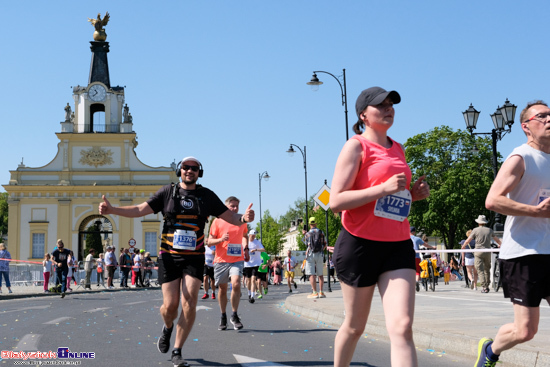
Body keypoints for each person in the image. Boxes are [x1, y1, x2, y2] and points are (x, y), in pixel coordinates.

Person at [98, 156, 254, 367]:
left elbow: (233, 218)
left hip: (195, 257)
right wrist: (112, 210)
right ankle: (167, 327)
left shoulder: (206, 195)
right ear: (180, 171)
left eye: (194, 168)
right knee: (170, 307)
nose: (189, 171)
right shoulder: (167, 193)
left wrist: (245, 218)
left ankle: (177, 350)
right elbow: (139, 210)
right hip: (169, 256)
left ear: (200, 172)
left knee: (189, 302)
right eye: (186, 168)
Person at [329, 87, 430, 367]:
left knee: (402, 327)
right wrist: (382, 188)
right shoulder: (356, 146)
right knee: (354, 326)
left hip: (397, 244)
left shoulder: (398, 147)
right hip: (359, 244)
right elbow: (336, 201)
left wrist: (414, 194)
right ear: (363, 115)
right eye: (380, 105)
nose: (388, 108)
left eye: (391, 104)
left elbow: (395, 198)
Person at [474, 100, 550, 366]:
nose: (549, 119)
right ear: (526, 127)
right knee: (525, 331)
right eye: (542, 116)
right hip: (524, 253)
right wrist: (536, 211)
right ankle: (491, 350)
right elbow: (493, 200)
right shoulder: (521, 157)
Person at [208, 196, 249, 331]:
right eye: (232, 206)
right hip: (221, 260)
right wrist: (220, 239)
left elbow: (244, 236)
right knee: (223, 289)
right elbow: (209, 241)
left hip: (237, 259)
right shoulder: (217, 221)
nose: (235, 208)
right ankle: (223, 315)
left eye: (236, 206)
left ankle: (234, 315)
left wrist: (246, 248)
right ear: (226, 207)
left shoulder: (241, 220)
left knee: (236, 283)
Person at [463, 215, 502, 293]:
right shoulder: (489, 230)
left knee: (480, 270)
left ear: (478, 223)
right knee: (487, 269)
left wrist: (463, 246)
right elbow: (497, 240)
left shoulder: (475, 230)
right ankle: (487, 284)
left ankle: (484, 287)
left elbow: (468, 240)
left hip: (478, 252)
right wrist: (501, 244)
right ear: (485, 223)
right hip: (487, 252)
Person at [304, 217, 327, 299]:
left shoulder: (307, 234)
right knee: (320, 274)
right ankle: (321, 292)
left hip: (310, 254)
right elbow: (325, 244)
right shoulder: (321, 232)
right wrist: (321, 250)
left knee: (312, 274)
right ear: (316, 223)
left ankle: (314, 292)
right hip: (320, 254)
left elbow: (306, 244)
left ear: (310, 224)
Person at [243, 229, 265, 302]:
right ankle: (249, 293)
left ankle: (252, 296)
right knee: (248, 281)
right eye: (252, 236)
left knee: (253, 279)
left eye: (254, 236)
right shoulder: (246, 242)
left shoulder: (257, 242)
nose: (253, 237)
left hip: (256, 263)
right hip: (247, 263)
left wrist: (256, 249)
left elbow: (263, 249)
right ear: (249, 235)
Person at [410, 226, 433, 292]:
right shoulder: (417, 239)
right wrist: (432, 247)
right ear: (414, 232)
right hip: (416, 256)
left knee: (409, 271)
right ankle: (417, 281)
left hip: (408, 257)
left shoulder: (405, 238)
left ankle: (411, 284)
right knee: (417, 271)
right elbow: (426, 245)